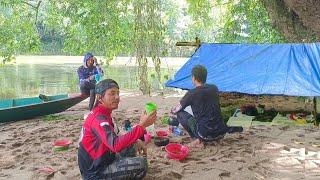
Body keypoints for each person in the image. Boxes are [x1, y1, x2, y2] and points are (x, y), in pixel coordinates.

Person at [78, 79, 157, 180]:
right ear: (99, 97)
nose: (117, 97)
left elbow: (117, 135)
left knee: (132, 144)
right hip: (96, 172)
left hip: (103, 159)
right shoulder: (98, 119)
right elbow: (115, 145)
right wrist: (141, 126)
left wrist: (137, 140)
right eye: (112, 93)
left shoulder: (103, 113)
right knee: (142, 165)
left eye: (118, 93)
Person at [170, 65, 243, 148]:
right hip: (221, 133)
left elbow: (176, 109)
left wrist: (172, 111)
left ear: (193, 78)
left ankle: (196, 138)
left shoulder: (191, 93)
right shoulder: (214, 88)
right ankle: (209, 137)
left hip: (204, 135)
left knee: (180, 113)